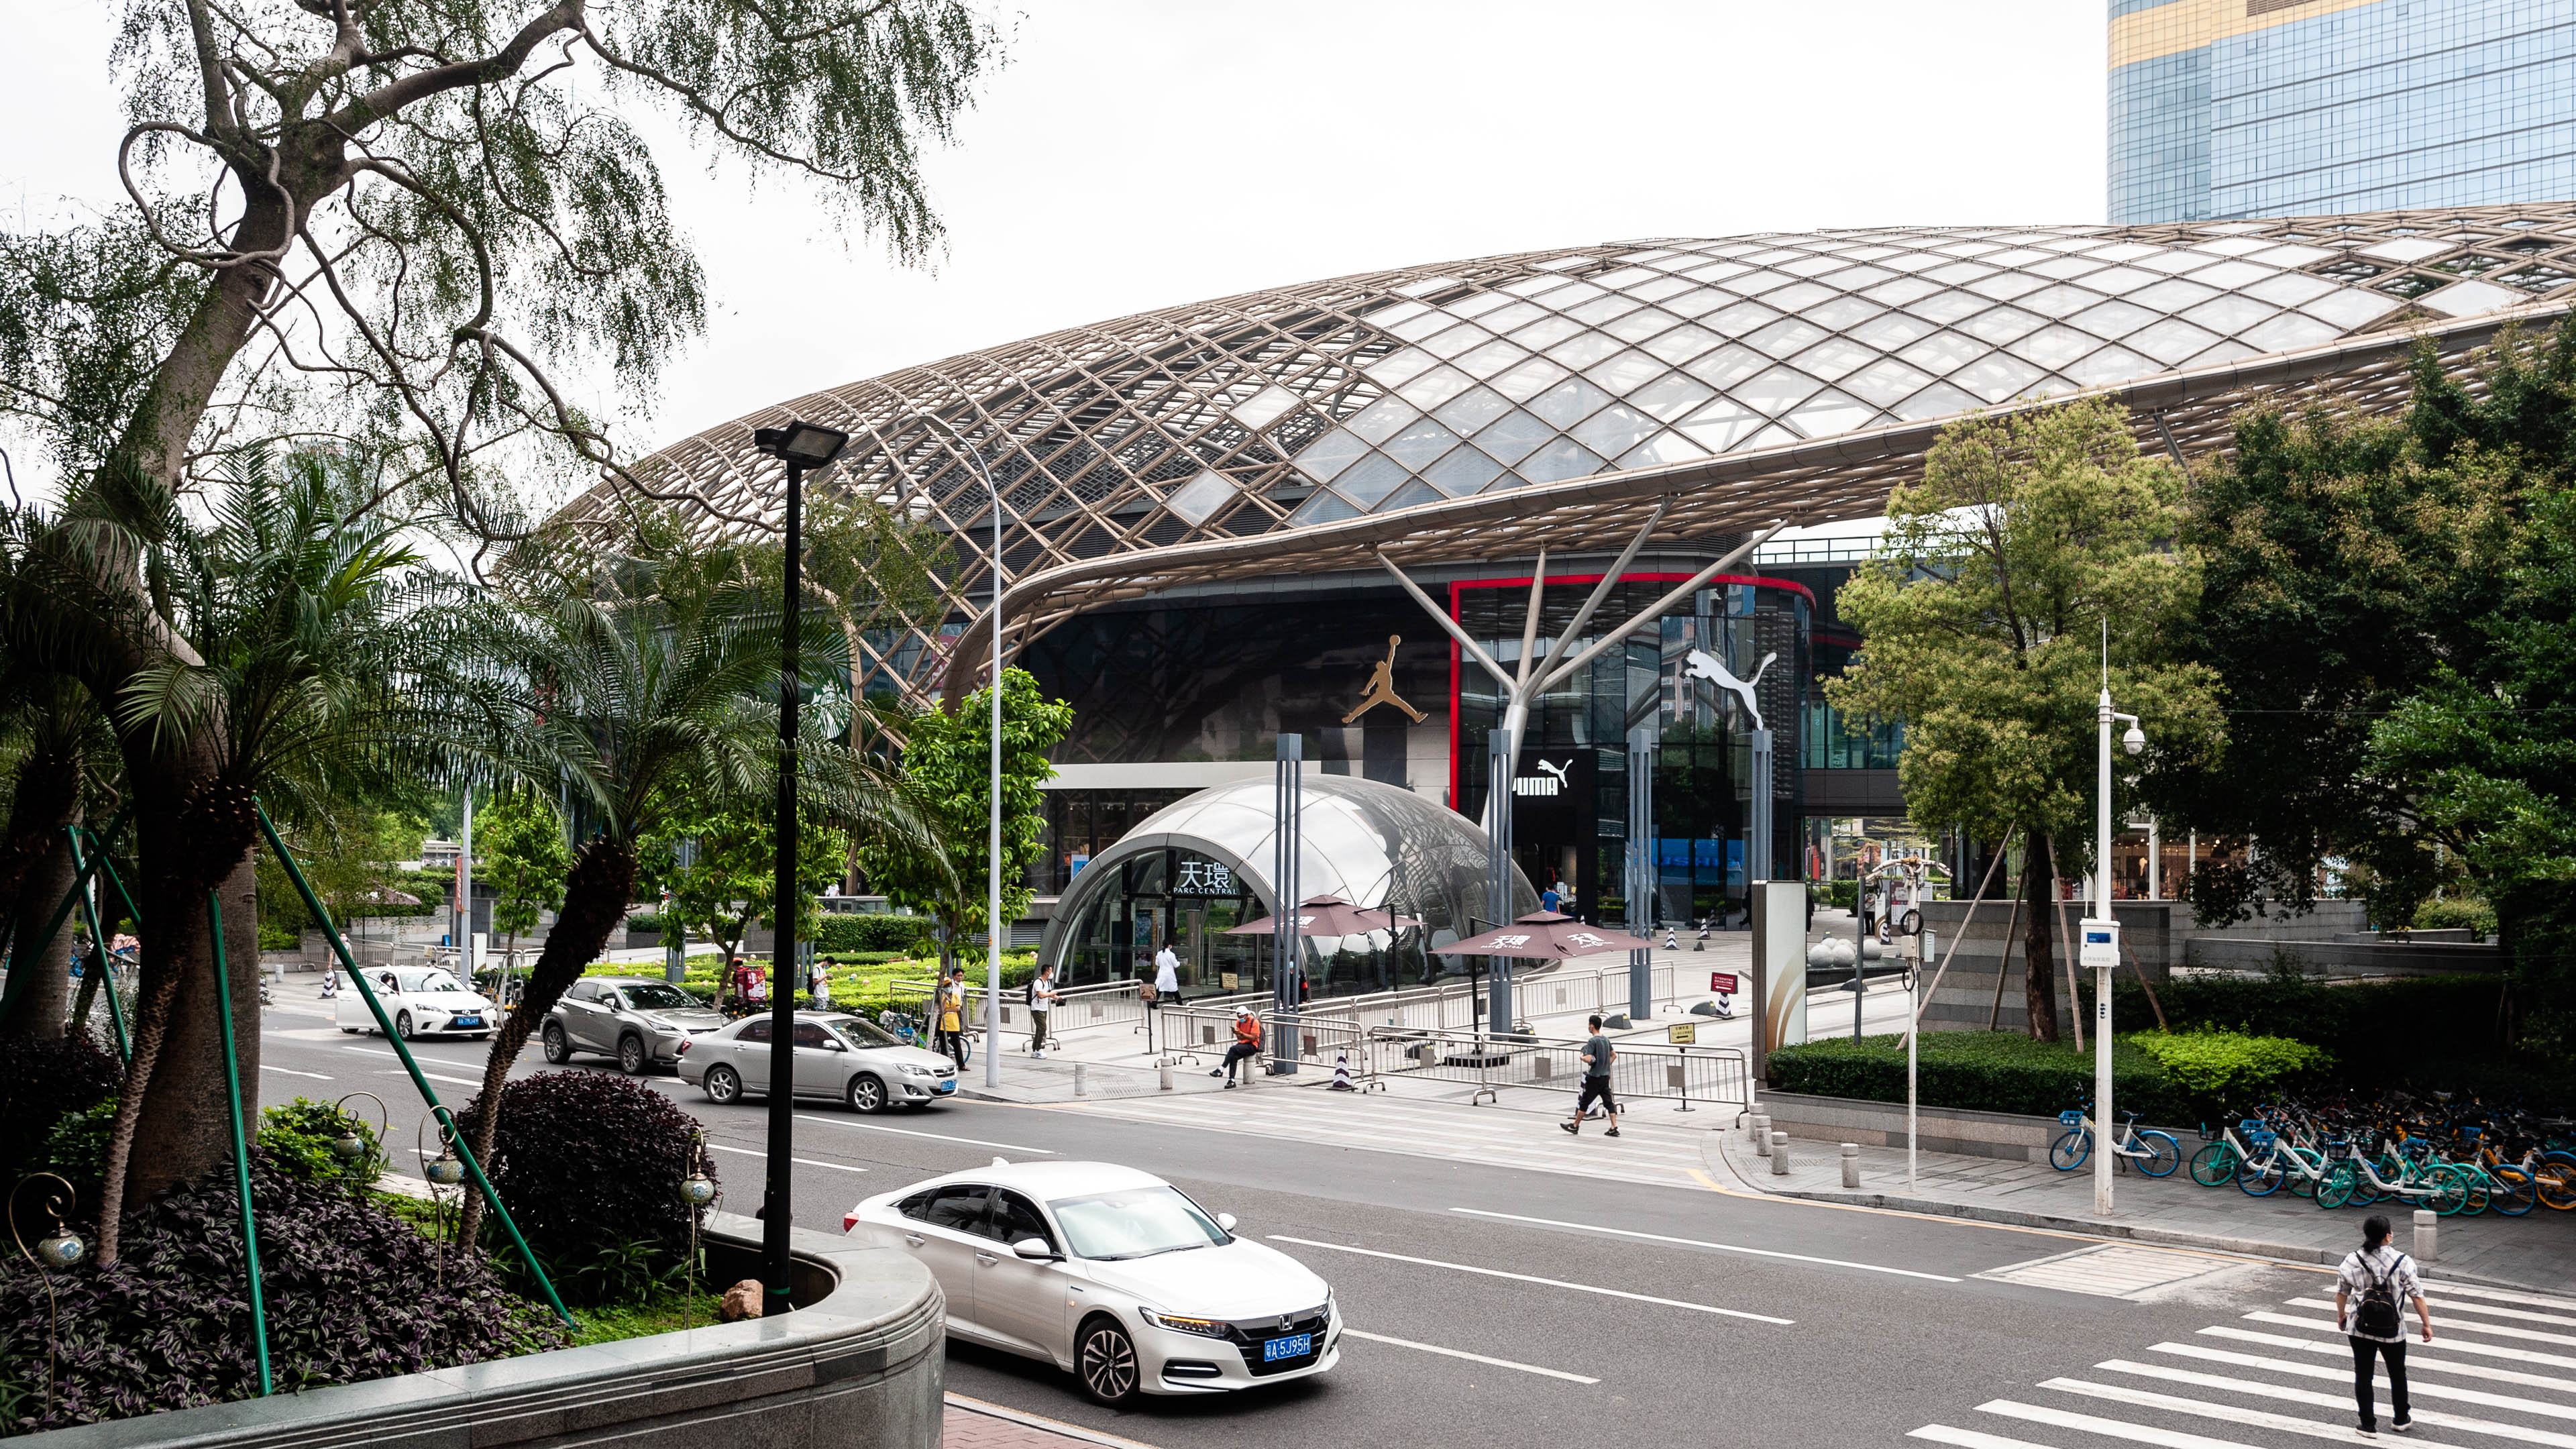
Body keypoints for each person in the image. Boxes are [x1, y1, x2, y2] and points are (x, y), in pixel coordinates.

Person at [2337, 1214, 2432, 1436]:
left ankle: (2368, 1424)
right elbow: (2417, 1295)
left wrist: (2341, 1315)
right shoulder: (2403, 1262)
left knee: (2363, 1374)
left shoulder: (2352, 1260)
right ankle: (2400, 1418)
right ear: (2388, 1236)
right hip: (2394, 1330)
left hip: (2360, 1327)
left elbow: (2342, 1291)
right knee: (2397, 1373)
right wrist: (2426, 1324)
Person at [1560, 1014, 1619, 1137]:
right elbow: (1614, 1055)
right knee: (1609, 1102)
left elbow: (1588, 1059)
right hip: (1605, 1077)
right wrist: (1605, 1066)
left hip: (1594, 1077)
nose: (1589, 1027)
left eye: (1589, 1024)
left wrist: (1582, 1056)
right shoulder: (1605, 1040)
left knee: (1585, 1102)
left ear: (1592, 1026)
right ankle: (1614, 1127)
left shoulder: (1593, 1041)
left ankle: (1575, 1126)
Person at [1212, 1005, 1261, 1087]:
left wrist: (1241, 1033)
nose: (1240, 1019)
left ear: (1246, 1015)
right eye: (1239, 1017)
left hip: (1252, 1046)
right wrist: (1237, 1033)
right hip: (1243, 1044)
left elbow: (1254, 1038)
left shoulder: (1254, 1022)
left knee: (1232, 1049)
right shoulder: (1239, 1022)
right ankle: (1231, 1080)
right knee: (1233, 1057)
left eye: (1241, 1017)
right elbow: (1239, 1037)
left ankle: (1221, 1069)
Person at [934, 967, 967, 1071]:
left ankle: (961, 1065)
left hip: (954, 1022)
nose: (949, 987)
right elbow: (941, 1009)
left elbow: (958, 1008)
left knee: (957, 1044)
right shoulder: (943, 996)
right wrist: (946, 1001)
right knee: (944, 1045)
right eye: (947, 986)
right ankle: (945, 1065)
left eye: (949, 986)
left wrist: (948, 1010)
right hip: (944, 1023)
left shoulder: (956, 994)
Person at [1028, 961, 1057, 1057]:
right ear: (1046, 972)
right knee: (1043, 1028)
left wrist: (1058, 998)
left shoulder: (1047, 982)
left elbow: (1049, 993)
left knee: (1039, 1029)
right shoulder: (1038, 982)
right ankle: (1038, 1049)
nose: (1052, 973)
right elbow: (1041, 995)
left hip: (1044, 1008)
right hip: (1036, 1009)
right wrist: (1052, 994)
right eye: (1051, 971)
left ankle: (1035, 1050)